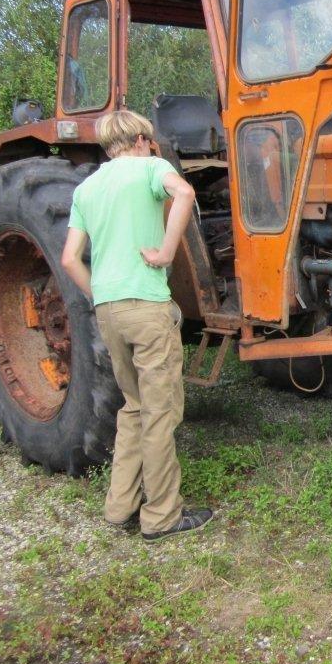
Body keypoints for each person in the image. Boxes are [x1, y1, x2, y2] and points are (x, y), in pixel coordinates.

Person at [61, 110, 212, 543]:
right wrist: (166, 252)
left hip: (108, 311)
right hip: (147, 308)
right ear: (143, 139)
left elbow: (71, 258)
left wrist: (100, 295)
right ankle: (162, 515)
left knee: (133, 406)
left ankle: (120, 505)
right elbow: (184, 193)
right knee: (160, 414)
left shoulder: (87, 188)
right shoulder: (152, 167)